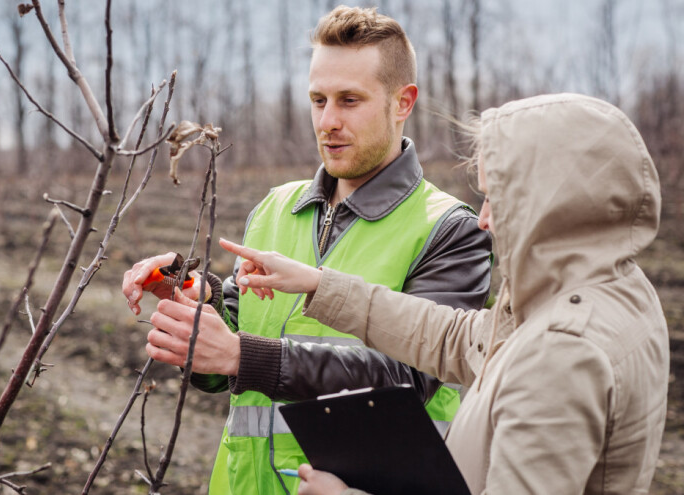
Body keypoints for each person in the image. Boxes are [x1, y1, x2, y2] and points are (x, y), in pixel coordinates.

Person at [218, 93, 670, 495]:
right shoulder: (608, 290)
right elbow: (452, 335)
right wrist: (319, 284)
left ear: (553, 208)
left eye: (496, 199)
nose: (483, 220)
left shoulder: (564, 352)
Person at [122, 6, 493, 494]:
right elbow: (232, 349)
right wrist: (196, 296)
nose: (328, 121)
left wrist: (241, 355)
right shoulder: (276, 208)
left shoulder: (450, 231)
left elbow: (408, 378)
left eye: (349, 100)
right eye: (318, 100)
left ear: (403, 102)